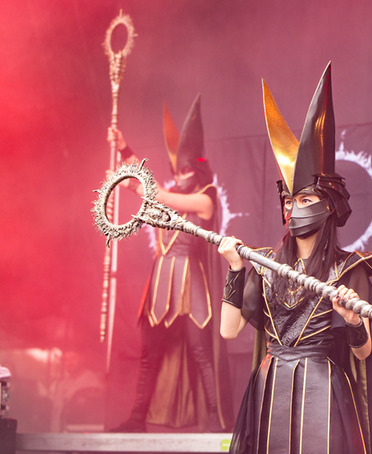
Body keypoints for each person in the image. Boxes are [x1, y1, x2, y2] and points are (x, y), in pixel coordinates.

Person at [218, 63, 372, 454]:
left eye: (306, 199)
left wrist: (353, 321)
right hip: (270, 385)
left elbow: (363, 352)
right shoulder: (265, 264)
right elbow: (228, 331)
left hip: (323, 391)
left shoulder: (348, 269)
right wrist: (235, 269)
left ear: (327, 206)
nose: (295, 209)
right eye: (289, 201)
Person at [107, 94, 229, 433]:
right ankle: (137, 418)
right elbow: (151, 185)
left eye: (186, 168)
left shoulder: (206, 198)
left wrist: (134, 187)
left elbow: (157, 194)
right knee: (151, 355)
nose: (180, 174)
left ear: (198, 169)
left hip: (192, 283)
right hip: (162, 282)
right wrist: (124, 149)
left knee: (200, 351)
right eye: (178, 169)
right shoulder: (171, 194)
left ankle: (215, 419)